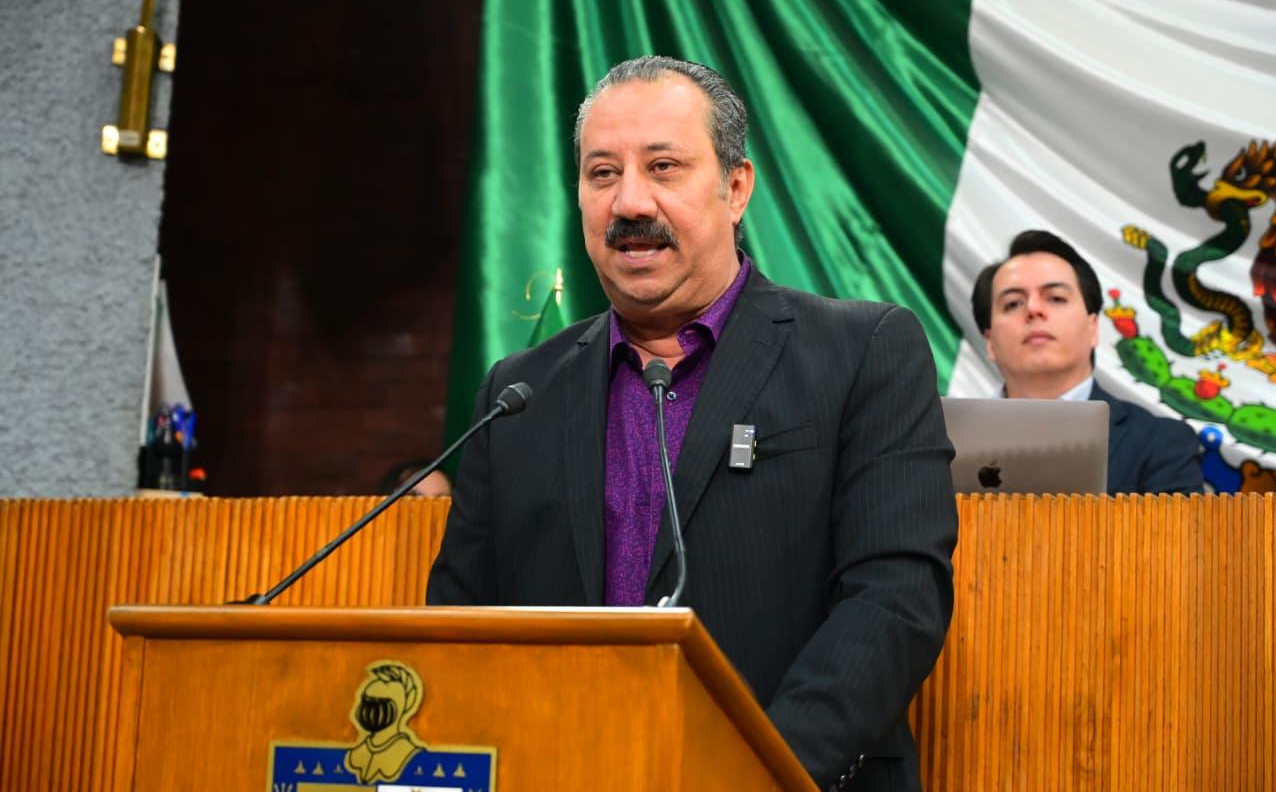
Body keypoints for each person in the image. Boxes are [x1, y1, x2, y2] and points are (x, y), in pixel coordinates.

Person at [428, 56, 957, 791]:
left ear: (736, 188)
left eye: (664, 166)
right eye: (602, 173)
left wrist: (751, 771)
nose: (629, 202)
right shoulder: (518, 393)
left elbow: (896, 598)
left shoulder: (864, 352)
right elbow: (460, 626)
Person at [970, 229, 1203, 494]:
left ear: (1093, 328)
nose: (1033, 310)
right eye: (1012, 304)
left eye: (1056, 298)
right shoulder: (941, 446)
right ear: (989, 341)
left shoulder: (1161, 445)